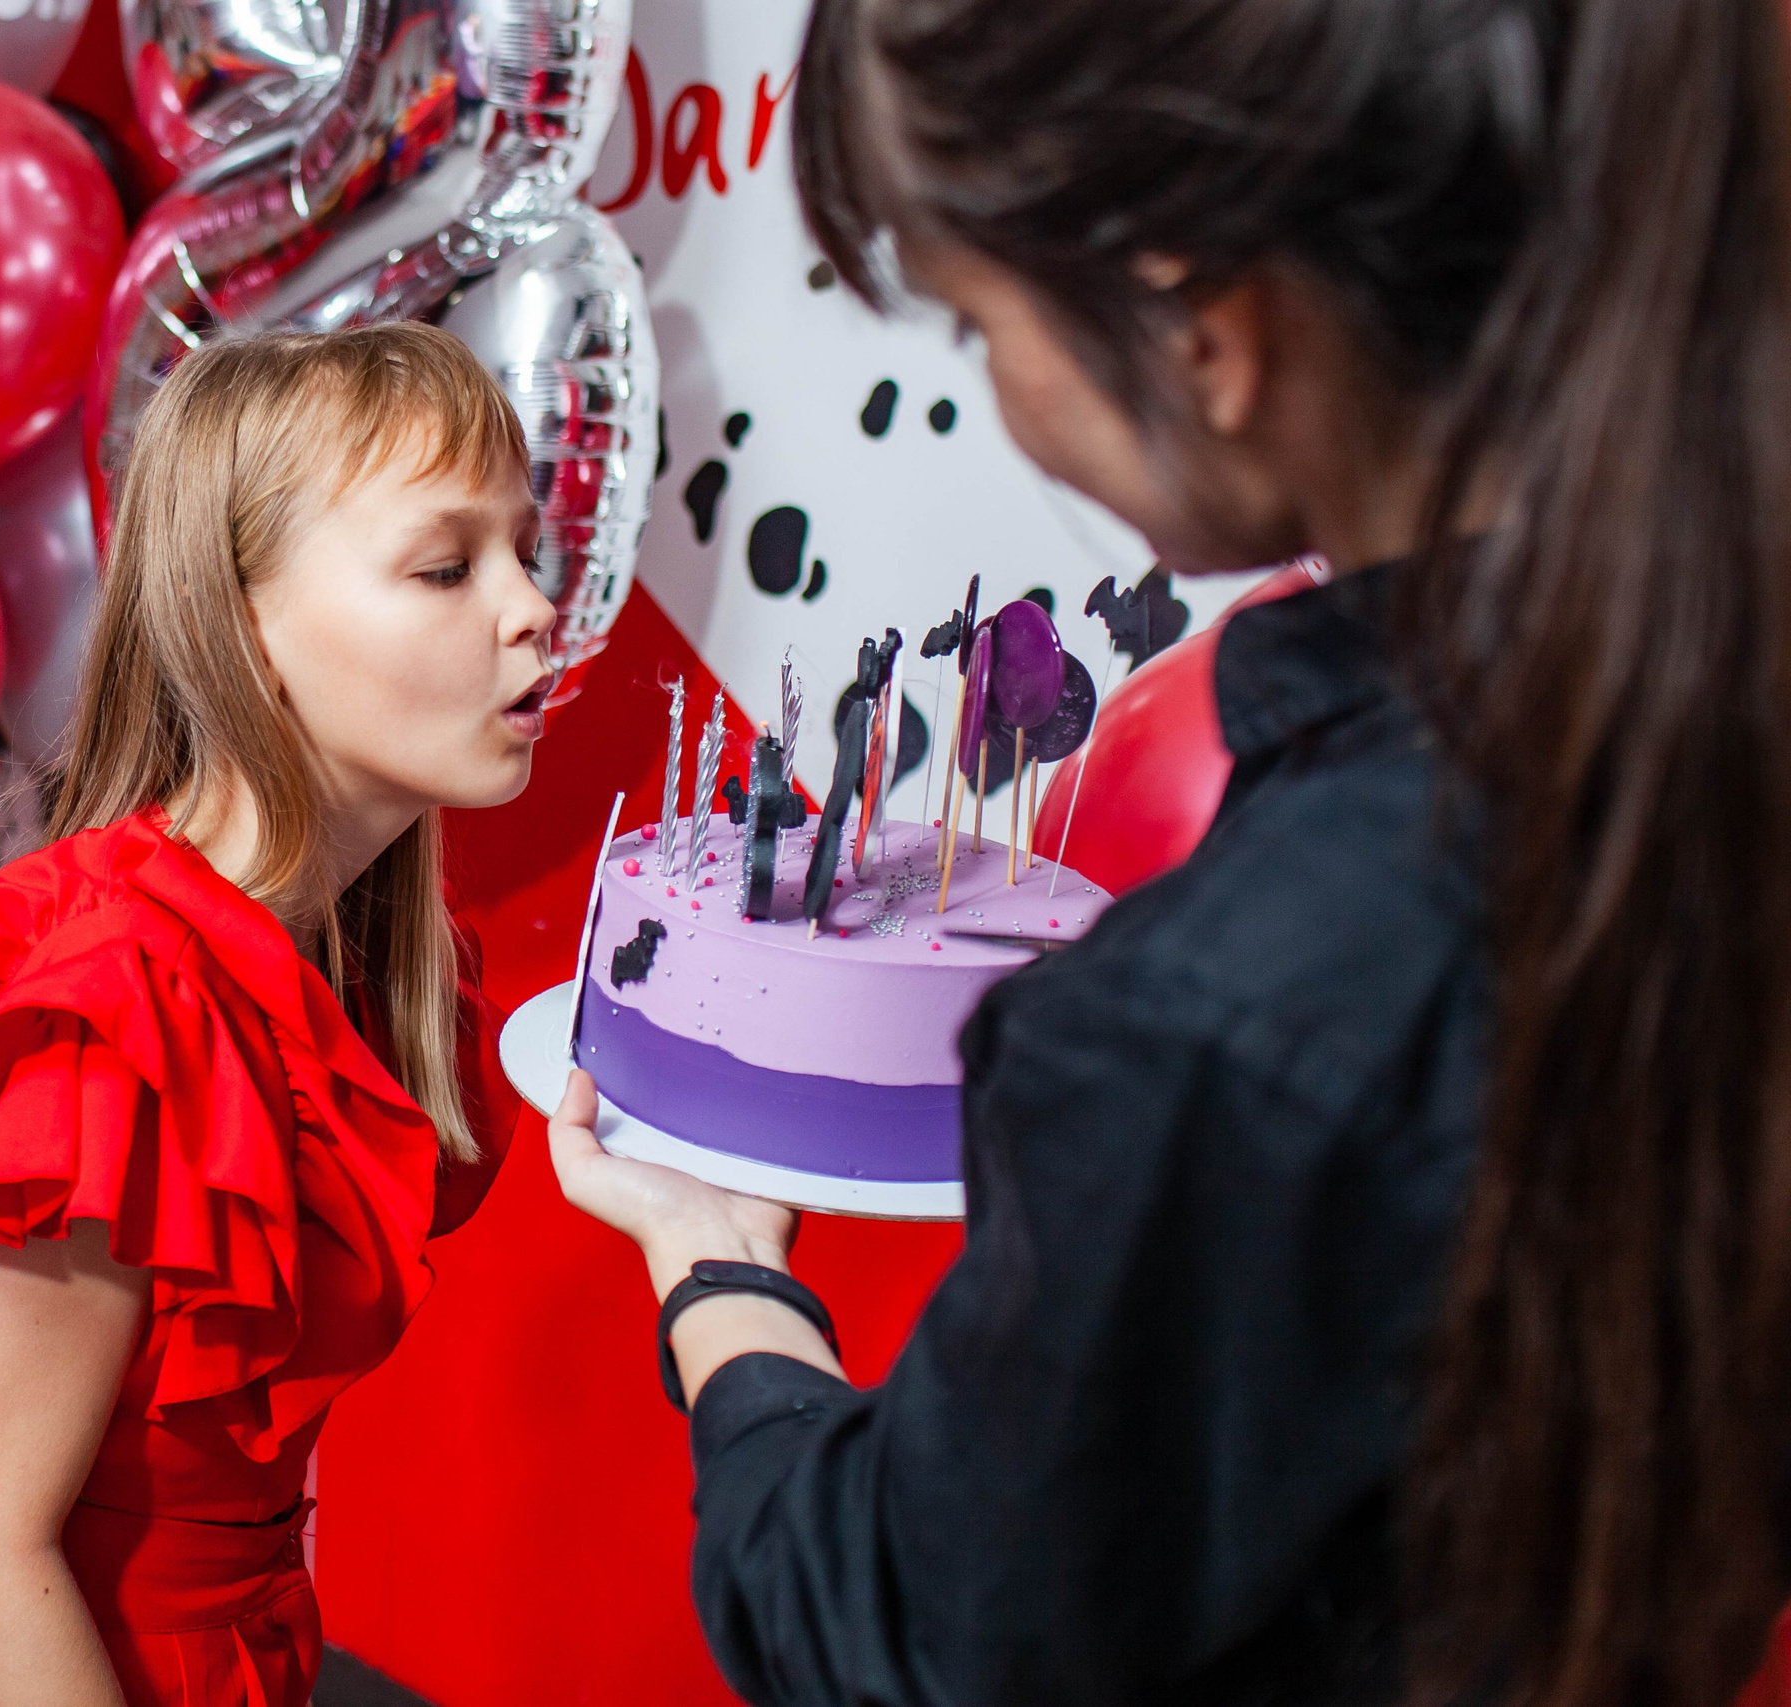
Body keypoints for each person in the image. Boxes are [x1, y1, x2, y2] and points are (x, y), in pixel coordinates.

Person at [551, 0, 1791, 1702]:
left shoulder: (1227, 1013)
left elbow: (892, 1636)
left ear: (1200, 324)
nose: (999, 393)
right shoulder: (1693, 762)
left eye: (982, 330)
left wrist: (716, 1278)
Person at [0, 321, 556, 1707]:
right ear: (243, 626)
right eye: (448, 566)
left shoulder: (354, 958)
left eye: (526, 552)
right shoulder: (108, 1015)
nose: (529, 608)